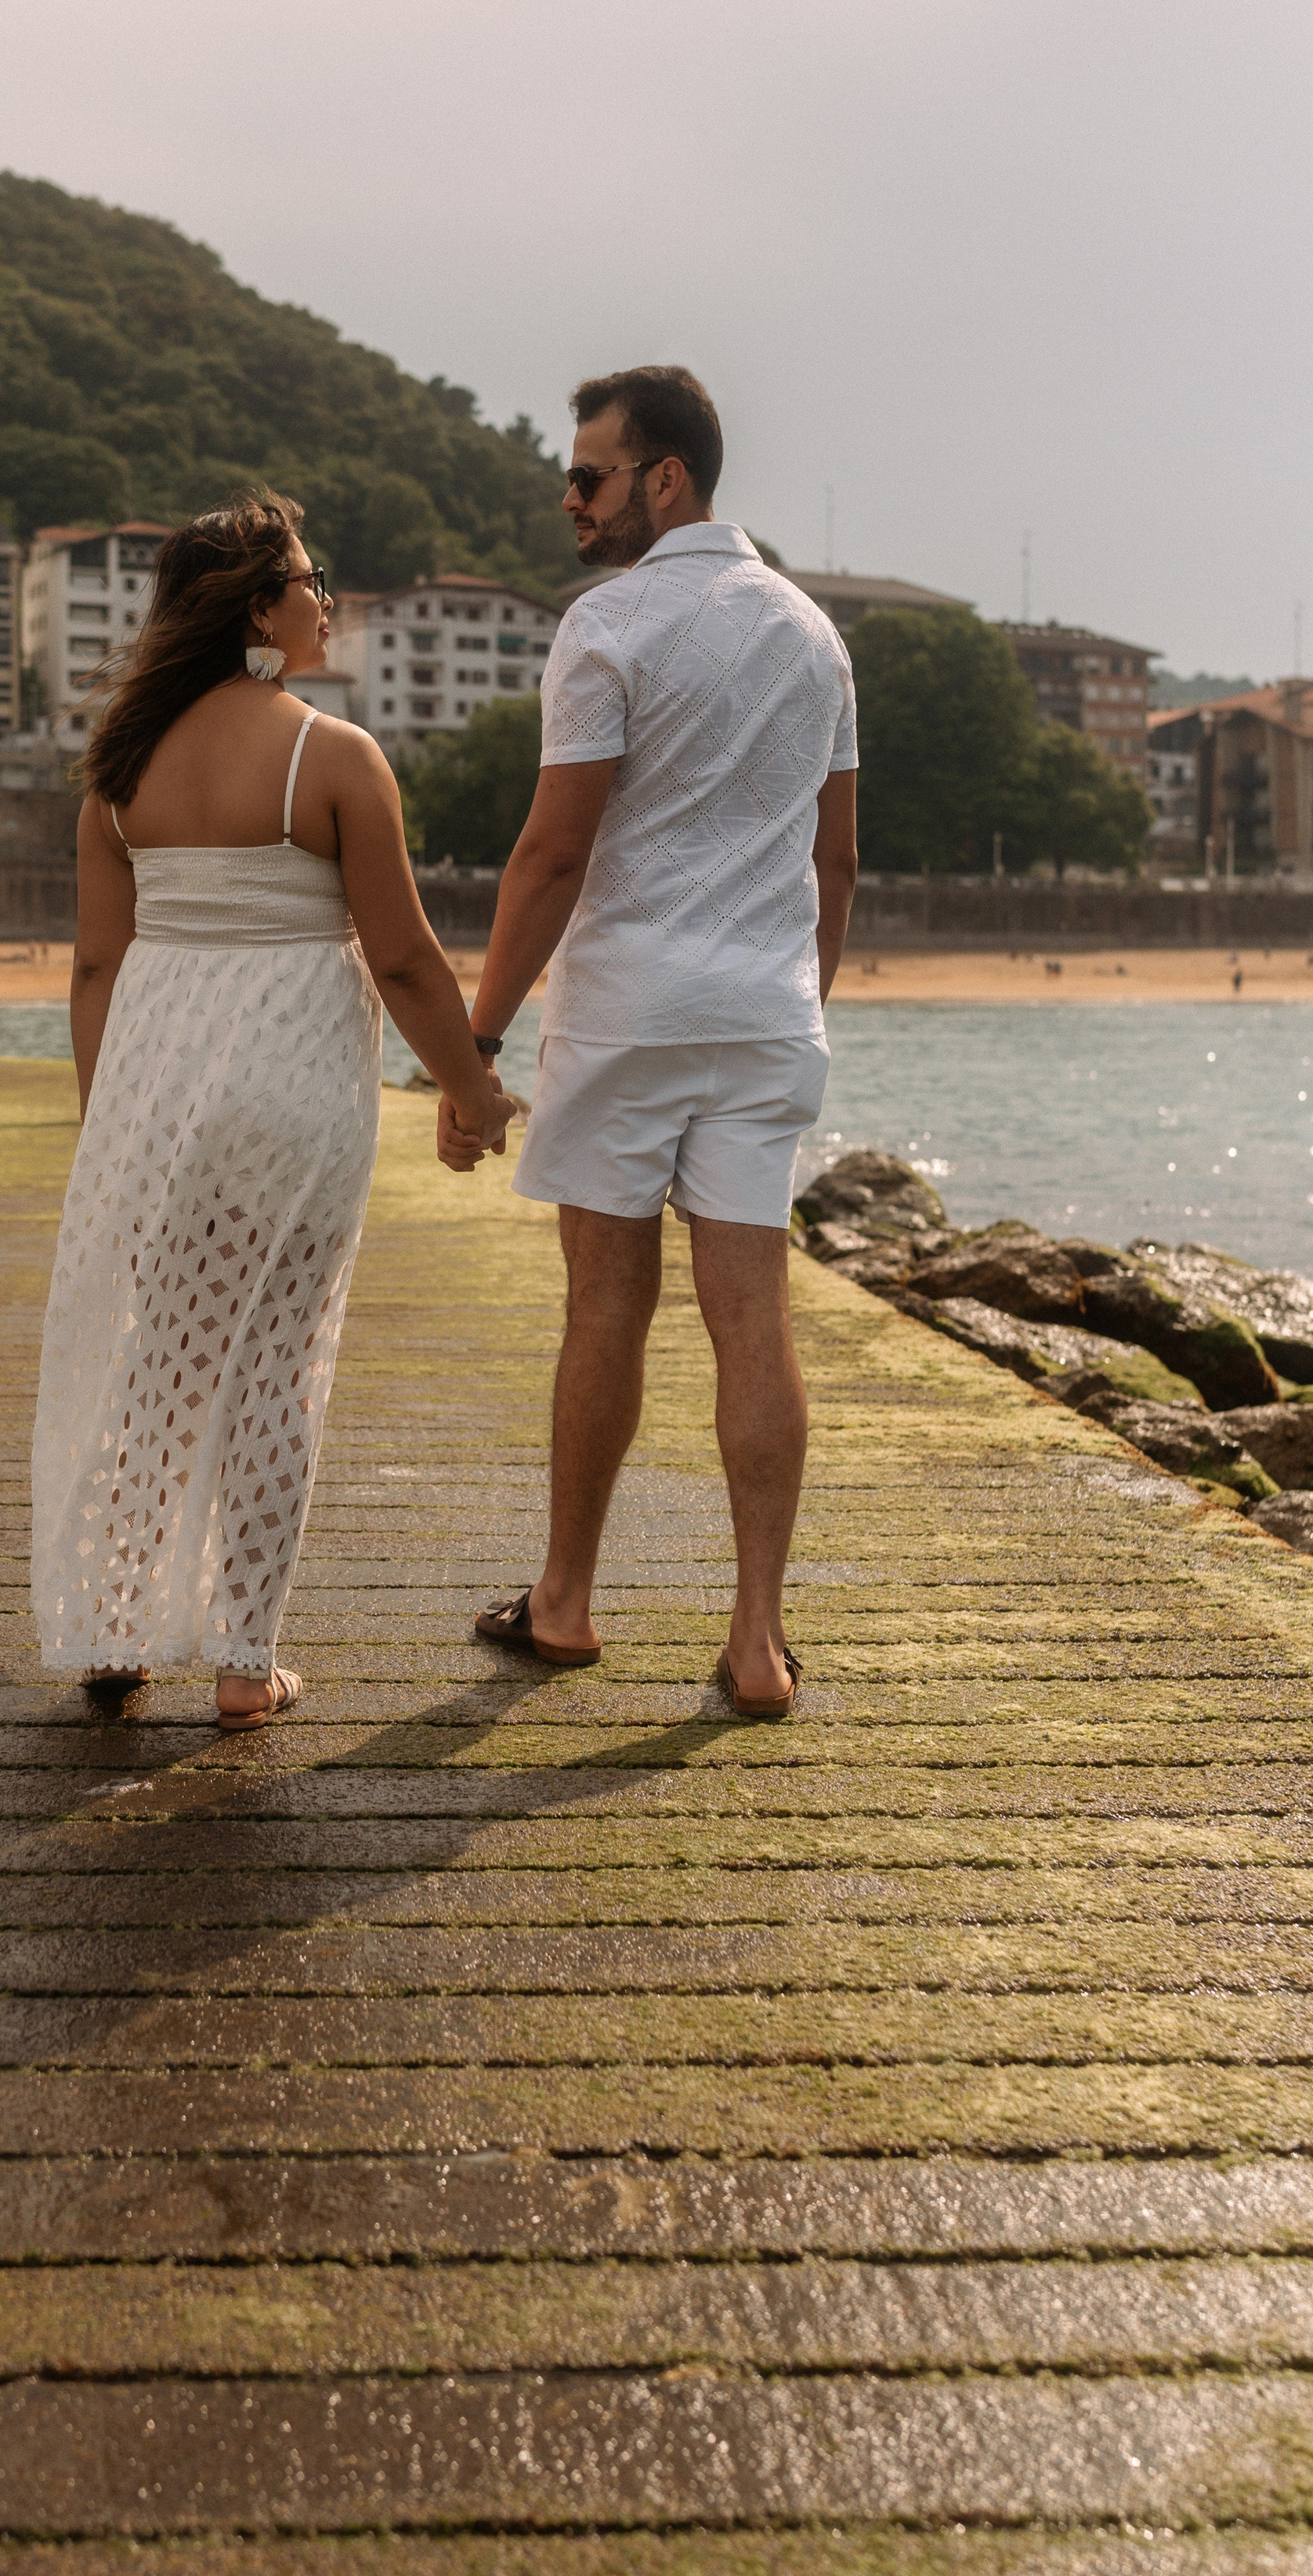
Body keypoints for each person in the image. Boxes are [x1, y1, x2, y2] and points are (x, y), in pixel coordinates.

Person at [32, 492, 515, 1730]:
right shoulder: (333, 756)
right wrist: (471, 1089)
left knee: (160, 1357)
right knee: (273, 1371)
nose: (326, 597)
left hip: (161, 1090)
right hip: (295, 1089)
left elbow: (96, 966)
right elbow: (404, 958)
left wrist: (110, 1123)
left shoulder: (119, 770)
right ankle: (246, 1664)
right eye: (307, 578)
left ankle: (116, 1623)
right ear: (256, 606)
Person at [443, 368, 859, 1720]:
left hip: (626, 1011)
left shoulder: (610, 623)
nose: (571, 500)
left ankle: (564, 1603)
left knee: (605, 1303)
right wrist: (801, 996)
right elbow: (835, 859)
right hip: (764, 1012)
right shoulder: (816, 637)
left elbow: (553, 850)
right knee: (755, 1318)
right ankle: (756, 1641)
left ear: (662, 479)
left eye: (588, 476)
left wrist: (480, 1035)